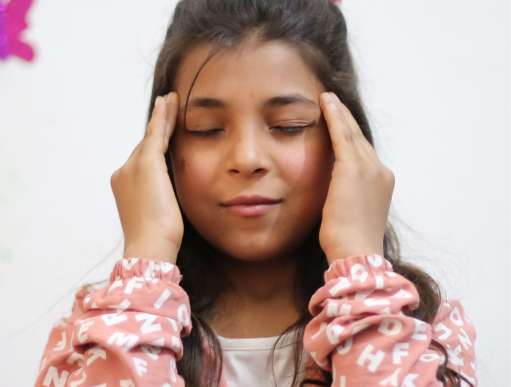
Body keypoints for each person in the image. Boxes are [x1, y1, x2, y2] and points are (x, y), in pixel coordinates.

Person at [34, 0, 478, 386]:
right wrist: (145, 261)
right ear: (164, 145)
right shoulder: (101, 332)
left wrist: (361, 271)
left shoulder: (418, 326)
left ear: (347, 140)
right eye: (205, 130)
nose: (246, 158)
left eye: (289, 126)